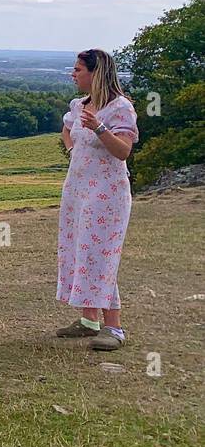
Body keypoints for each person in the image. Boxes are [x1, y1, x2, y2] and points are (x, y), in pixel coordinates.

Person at [56, 49, 139, 351]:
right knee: (80, 250)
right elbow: (67, 128)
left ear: (96, 73)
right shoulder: (79, 105)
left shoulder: (121, 108)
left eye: (78, 69)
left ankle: (114, 327)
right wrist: (71, 149)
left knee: (101, 254)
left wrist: (99, 128)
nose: (73, 74)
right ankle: (89, 319)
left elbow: (123, 151)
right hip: (77, 190)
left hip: (107, 194)